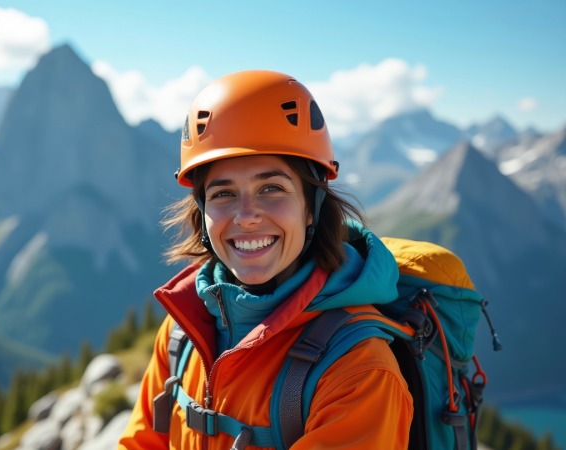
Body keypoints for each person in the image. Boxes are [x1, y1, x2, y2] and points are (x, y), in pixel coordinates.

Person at [118, 70, 412, 449]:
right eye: (223, 194)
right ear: (202, 213)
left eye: (271, 188)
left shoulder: (359, 371)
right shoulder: (183, 331)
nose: (246, 215)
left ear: (312, 208)